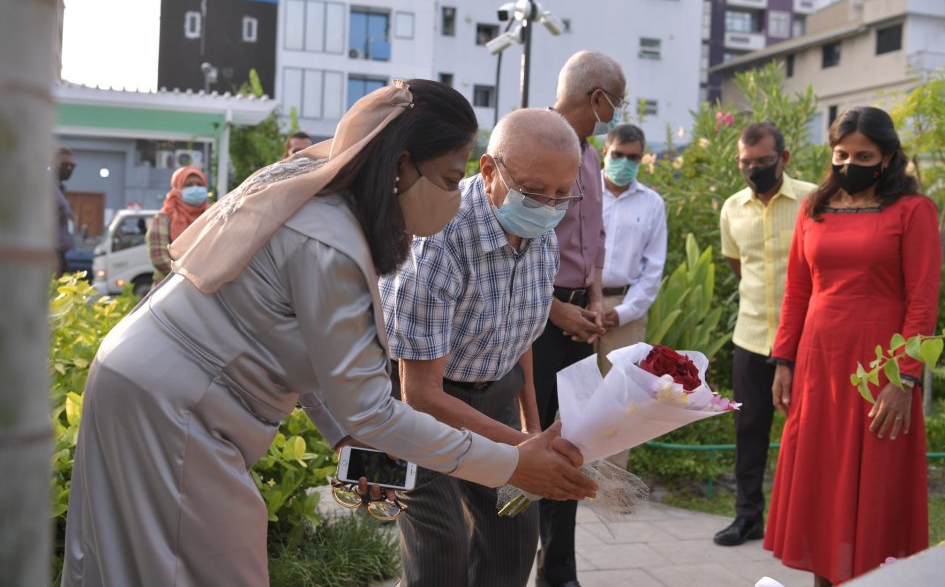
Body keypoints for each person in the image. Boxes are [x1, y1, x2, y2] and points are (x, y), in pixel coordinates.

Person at [61, 80, 598, 587]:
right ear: (401, 165)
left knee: (134, 566)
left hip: (154, 387)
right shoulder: (333, 241)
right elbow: (375, 408)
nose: (456, 199)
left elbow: (317, 362)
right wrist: (512, 461)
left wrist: (347, 438)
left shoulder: (337, 215)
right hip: (172, 405)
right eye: (450, 180)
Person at [380, 108, 582, 587]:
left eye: (562, 195)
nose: (550, 207)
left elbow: (521, 338)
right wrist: (523, 451)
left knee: (512, 535)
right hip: (422, 402)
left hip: (494, 389)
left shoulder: (542, 234)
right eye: (535, 192)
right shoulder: (438, 242)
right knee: (441, 548)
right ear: (489, 171)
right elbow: (421, 393)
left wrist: (532, 429)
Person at [765, 106, 941, 585]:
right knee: (822, 489)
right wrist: (783, 361)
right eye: (841, 153)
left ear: (886, 157)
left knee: (876, 493)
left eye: (863, 155)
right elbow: (797, 291)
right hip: (818, 367)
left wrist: (905, 377)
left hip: (881, 373)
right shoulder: (813, 209)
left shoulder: (913, 211)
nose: (849, 162)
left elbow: (923, 303)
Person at [533, 50, 625, 587]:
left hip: (577, 318)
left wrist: (592, 299)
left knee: (572, 447)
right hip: (536, 320)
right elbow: (507, 250)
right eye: (617, 101)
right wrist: (557, 310)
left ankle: (559, 573)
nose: (617, 111)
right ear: (596, 99)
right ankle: (506, 563)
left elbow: (595, 238)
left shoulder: (590, 154)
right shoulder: (536, 143)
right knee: (529, 443)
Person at [714, 123, 817, 546]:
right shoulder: (732, 208)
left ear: (784, 158)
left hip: (809, 337)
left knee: (809, 431)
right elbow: (738, 266)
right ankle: (748, 517)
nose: (754, 169)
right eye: (746, 163)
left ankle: (807, 521)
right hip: (752, 336)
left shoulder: (814, 200)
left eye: (764, 161)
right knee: (749, 430)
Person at [595, 123, 667, 470]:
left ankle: (610, 485)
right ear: (605, 153)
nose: (625, 163)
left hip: (626, 307)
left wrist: (622, 312)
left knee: (621, 399)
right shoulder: (584, 191)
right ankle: (563, 479)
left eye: (633, 157)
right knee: (570, 392)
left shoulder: (652, 203)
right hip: (578, 306)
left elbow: (653, 269)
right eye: (618, 155)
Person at [146, 166, 210, 285]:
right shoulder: (164, 218)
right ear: (177, 187)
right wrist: (190, 278)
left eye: (199, 184)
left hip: (208, 286)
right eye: (189, 184)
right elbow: (159, 257)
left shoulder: (212, 215)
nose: (195, 188)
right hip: (171, 287)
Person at [55, 147, 76, 276]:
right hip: (51, 253)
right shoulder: (47, 189)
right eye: (65, 165)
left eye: (72, 166)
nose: (69, 169)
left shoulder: (61, 189)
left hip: (61, 254)